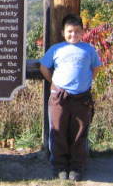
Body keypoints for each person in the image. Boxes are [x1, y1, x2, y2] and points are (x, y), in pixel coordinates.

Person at [39, 13, 101, 182]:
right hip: (59, 97)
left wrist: (86, 82)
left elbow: (96, 68)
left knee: (79, 132)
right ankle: (59, 166)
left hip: (82, 98)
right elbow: (44, 67)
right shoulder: (56, 49)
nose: (73, 35)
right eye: (70, 31)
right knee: (57, 131)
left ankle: (76, 166)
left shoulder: (89, 50)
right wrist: (53, 82)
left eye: (77, 31)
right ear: (63, 32)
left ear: (83, 32)